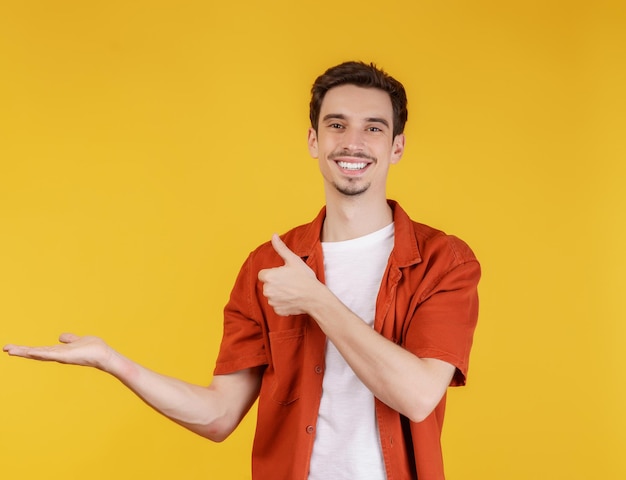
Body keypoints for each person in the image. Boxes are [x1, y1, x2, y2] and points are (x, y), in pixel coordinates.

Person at [4, 61, 480, 480]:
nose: (352, 142)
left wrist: (316, 299)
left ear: (397, 146)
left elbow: (417, 396)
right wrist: (113, 361)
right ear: (314, 140)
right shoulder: (267, 265)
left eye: (373, 128)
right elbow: (218, 415)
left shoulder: (444, 261)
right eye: (337, 124)